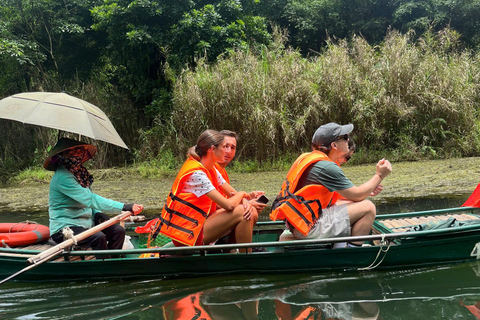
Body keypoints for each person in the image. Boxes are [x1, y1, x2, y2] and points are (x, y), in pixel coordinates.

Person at [270, 123, 392, 246]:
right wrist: (379, 175)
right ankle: (352, 256)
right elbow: (357, 194)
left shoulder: (311, 158)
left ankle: (342, 246)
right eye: (345, 138)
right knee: (368, 208)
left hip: (300, 223)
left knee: (354, 203)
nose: (348, 140)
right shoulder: (327, 167)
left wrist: (367, 191)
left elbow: (340, 196)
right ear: (334, 145)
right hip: (308, 227)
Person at [155, 130, 261, 251]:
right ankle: (246, 260)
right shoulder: (196, 174)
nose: (227, 151)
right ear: (212, 149)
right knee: (243, 211)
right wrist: (243, 195)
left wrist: (247, 199)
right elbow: (229, 205)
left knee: (250, 212)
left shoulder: (211, 169)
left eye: (231, 148)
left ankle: (232, 252)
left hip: (200, 224)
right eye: (224, 147)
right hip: (189, 233)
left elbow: (231, 193)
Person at [44, 138, 144, 258]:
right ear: (61, 156)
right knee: (98, 237)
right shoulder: (62, 177)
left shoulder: (79, 173)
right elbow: (90, 199)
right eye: (71, 153)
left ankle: (113, 261)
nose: (76, 156)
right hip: (65, 227)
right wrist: (124, 207)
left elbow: (89, 202)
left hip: (86, 222)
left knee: (118, 231)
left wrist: (97, 214)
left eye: (78, 152)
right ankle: (103, 268)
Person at [215, 130, 267, 216]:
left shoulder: (222, 171)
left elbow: (231, 196)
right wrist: (247, 203)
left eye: (232, 148)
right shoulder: (211, 168)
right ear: (215, 148)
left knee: (249, 210)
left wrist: (249, 197)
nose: (229, 151)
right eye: (225, 146)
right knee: (246, 211)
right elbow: (215, 205)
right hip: (205, 220)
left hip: (218, 216)